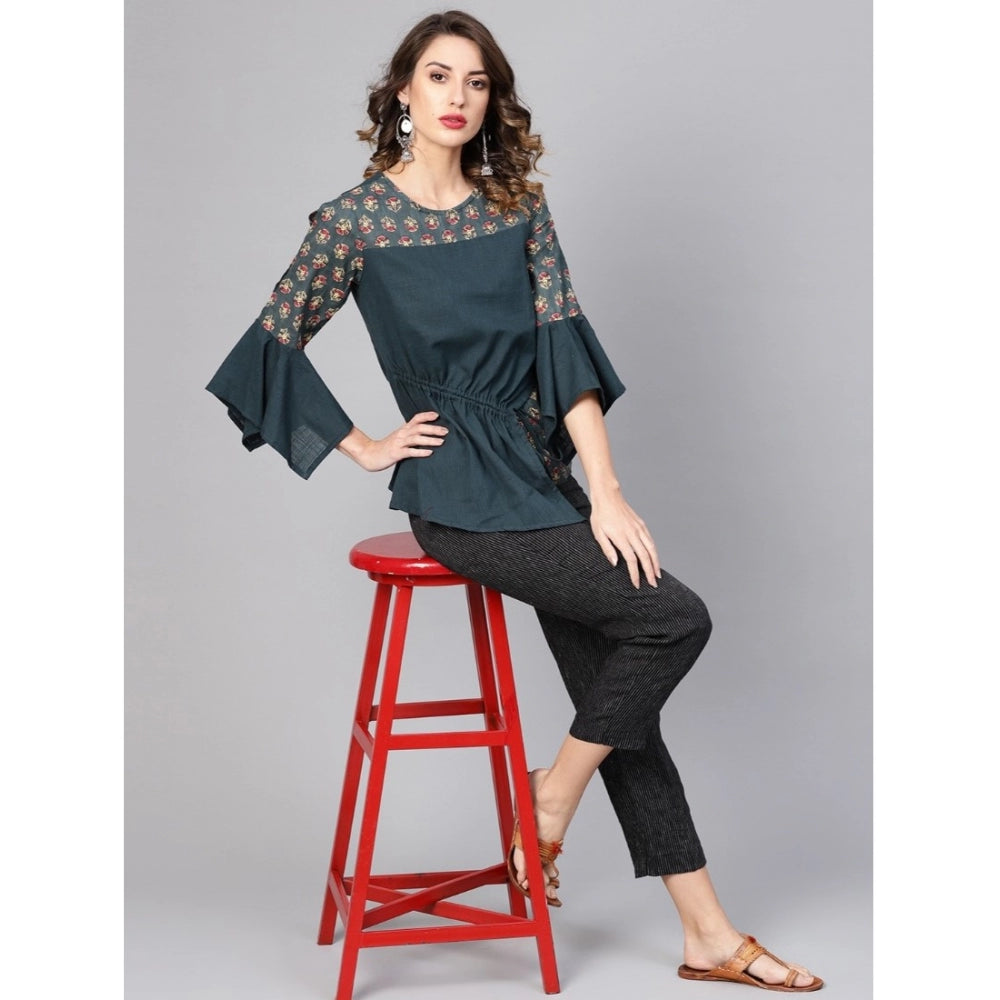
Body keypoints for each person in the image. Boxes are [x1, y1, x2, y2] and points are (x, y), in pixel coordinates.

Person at [206, 9, 821, 993]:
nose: (457, 96)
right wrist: (364, 446)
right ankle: (548, 801)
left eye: (477, 81)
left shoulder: (516, 210)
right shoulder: (357, 222)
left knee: (617, 705)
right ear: (402, 93)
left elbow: (565, 361)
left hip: (541, 480)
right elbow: (267, 346)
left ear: (492, 101)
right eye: (438, 76)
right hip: (457, 493)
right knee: (672, 621)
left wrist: (606, 493)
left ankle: (704, 932)